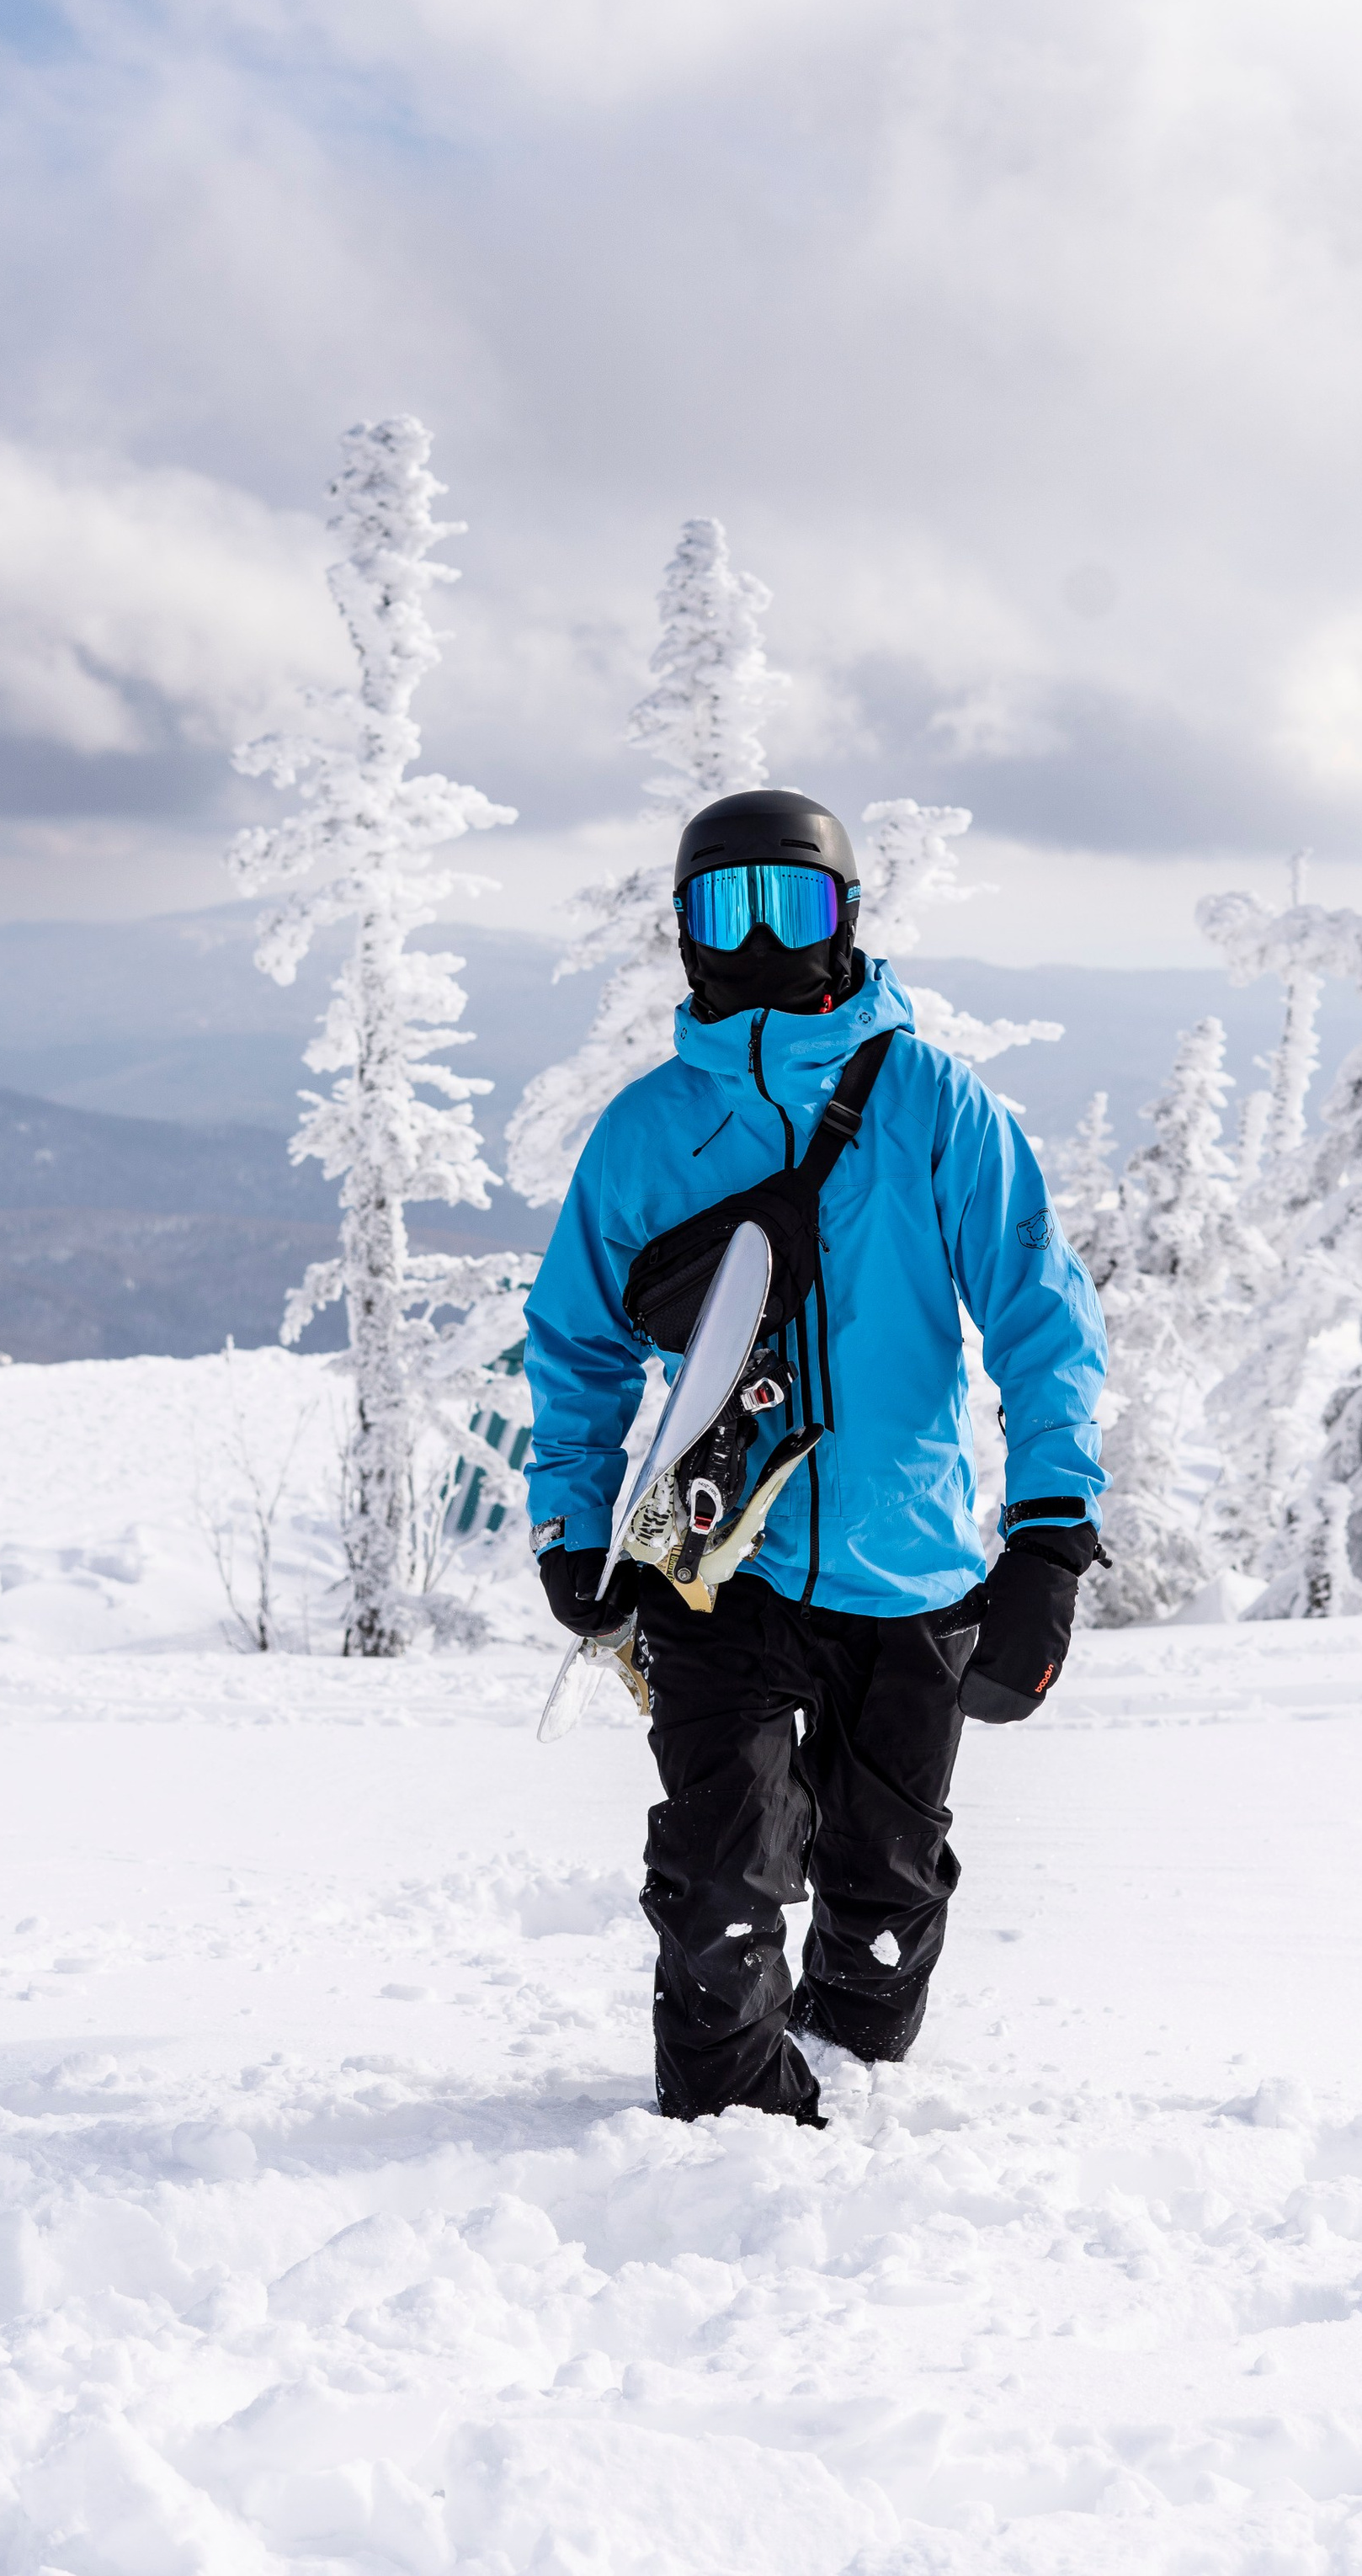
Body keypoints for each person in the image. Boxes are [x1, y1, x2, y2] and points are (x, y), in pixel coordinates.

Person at [523, 786, 1108, 2126]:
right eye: (732, 907)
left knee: (886, 1880)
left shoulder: (933, 1108)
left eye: (797, 901)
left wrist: (1050, 1532)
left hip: (908, 1571)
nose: (765, 937)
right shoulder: (648, 1131)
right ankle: (724, 2141)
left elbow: (1040, 1317)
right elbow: (579, 1346)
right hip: (716, 1573)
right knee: (718, 1878)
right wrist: (572, 1523)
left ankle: (865, 2107)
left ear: (847, 918)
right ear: (686, 932)